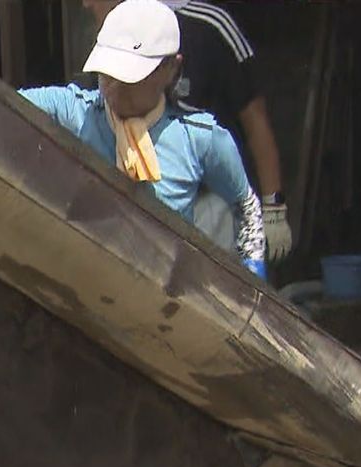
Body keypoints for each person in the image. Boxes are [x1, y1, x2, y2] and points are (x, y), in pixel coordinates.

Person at [23, 0, 267, 278]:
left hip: (167, 296)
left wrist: (253, 272)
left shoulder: (200, 139)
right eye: (107, 75)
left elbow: (245, 204)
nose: (114, 90)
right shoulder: (75, 113)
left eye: (130, 79)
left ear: (170, 70)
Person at [84, 0, 292, 263]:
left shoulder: (208, 28)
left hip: (207, 205)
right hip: (135, 207)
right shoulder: (111, 45)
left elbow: (255, 119)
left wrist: (273, 208)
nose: (86, 4)